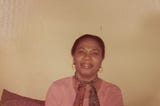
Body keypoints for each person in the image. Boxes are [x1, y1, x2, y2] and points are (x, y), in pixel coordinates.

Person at [45, 34, 124, 106]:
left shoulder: (112, 92)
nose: (87, 57)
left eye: (94, 53)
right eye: (81, 52)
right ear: (73, 59)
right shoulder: (58, 89)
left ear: (101, 61)